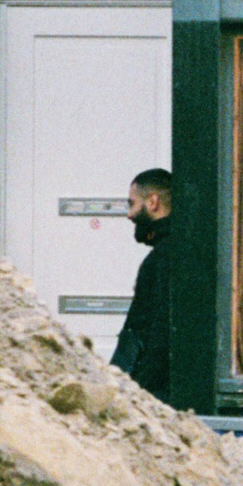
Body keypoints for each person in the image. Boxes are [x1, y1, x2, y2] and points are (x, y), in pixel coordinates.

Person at [110, 167, 175, 401]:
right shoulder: (167, 251)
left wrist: (141, 392)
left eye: (132, 204)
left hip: (151, 390)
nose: (129, 214)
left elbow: (159, 329)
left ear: (153, 201)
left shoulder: (164, 256)